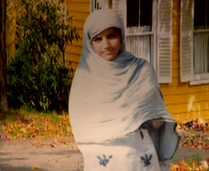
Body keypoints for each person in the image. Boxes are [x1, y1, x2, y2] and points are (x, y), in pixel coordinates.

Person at [69, 9, 180, 171]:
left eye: (112, 36)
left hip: (138, 159)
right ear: (89, 43)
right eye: (98, 39)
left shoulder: (142, 71)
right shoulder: (85, 79)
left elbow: (156, 122)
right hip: (100, 162)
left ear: (121, 37)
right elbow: (82, 128)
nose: (106, 45)